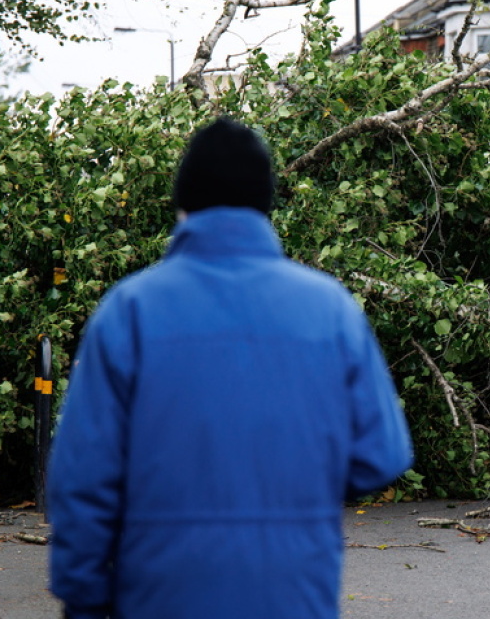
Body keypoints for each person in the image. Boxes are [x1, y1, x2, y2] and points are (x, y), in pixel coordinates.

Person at [48, 116, 413, 619]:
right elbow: (382, 454)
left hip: (157, 595)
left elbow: (83, 476)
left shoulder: (129, 310)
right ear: (266, 207)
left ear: (182, 205)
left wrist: (83, 596)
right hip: (294, 593)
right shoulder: (330, 309)